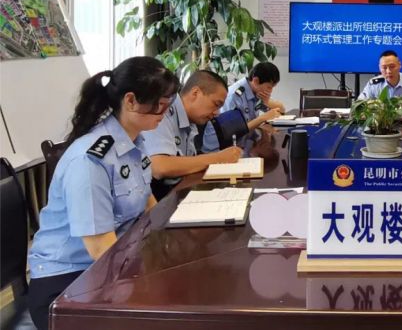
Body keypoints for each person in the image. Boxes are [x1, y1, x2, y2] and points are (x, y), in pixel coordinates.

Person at [27, 57, 180, 330]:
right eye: (161, 104)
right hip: (68, 283)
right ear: (130, 101)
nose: (165, 113)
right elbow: (101, 249)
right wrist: (146, 278)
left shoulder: (135, 141)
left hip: (110, 265)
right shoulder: (90, 161)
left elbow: (147, 201)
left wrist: (167, 246)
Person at [142, 69, 242, 199]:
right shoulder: (163, 111)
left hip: (178, 192)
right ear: (195, 93)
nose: (217, 113)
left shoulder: (191, 120)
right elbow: (160, 167)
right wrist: (218, 158)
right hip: (160, 198)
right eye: (216, 104)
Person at [202, 62, 285, 154]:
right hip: (218, 150)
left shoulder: (256, 91)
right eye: (269, 87)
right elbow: (231, 131)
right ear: (256, 81)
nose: (270, 91)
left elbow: (282, 109)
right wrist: (262, 119)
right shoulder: (234, 96)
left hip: (241, 143)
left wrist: (267, 102)